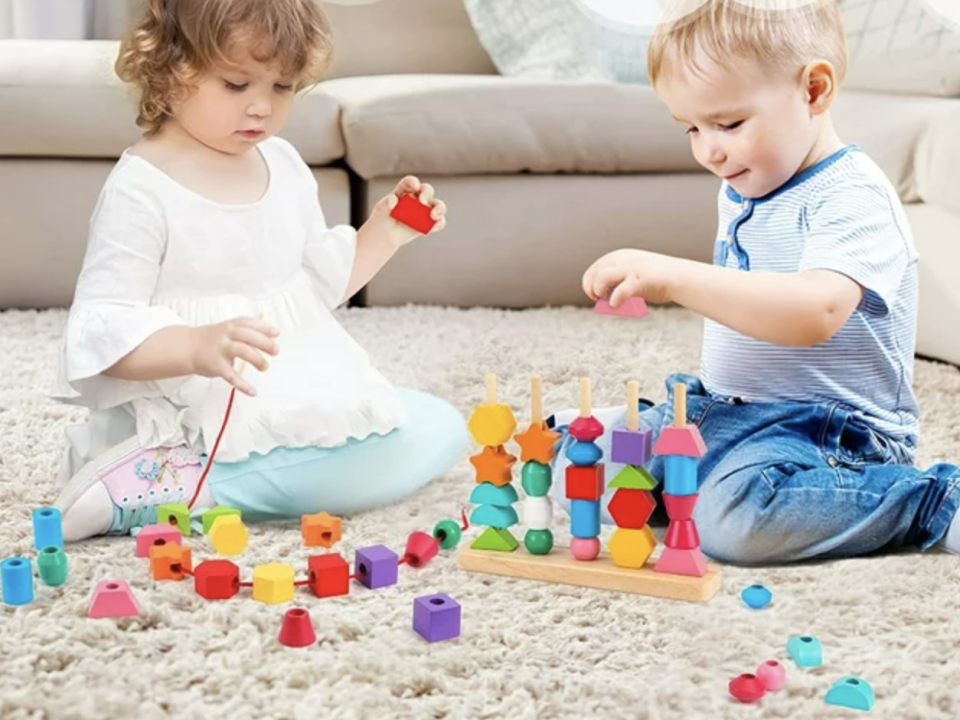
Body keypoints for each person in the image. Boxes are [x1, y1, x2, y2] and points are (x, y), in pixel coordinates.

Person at [550, 0, 960, 564]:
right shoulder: (749, 182)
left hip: (831, 435)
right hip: (723, 408)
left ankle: (929, 500)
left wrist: (674, 277)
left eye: (729, 124)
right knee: (580, 470)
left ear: (814, 91)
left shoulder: (852, 196)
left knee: (736, 524)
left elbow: (815, 312)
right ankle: (643, 439)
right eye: (692, 127)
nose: (708, 150)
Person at [52, 0, 467, 542]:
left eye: (282, 87)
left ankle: (196, 491)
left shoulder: (285, 165)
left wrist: (384, 233)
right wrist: (193, 346)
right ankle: (160, 481)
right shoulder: (141, 188)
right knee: (390, 450)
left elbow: (310, 290)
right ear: (172, 68)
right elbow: (103, 333)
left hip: (285, 391)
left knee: (440, 426)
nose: (261, 109)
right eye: (236, 85)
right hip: (187, 417)